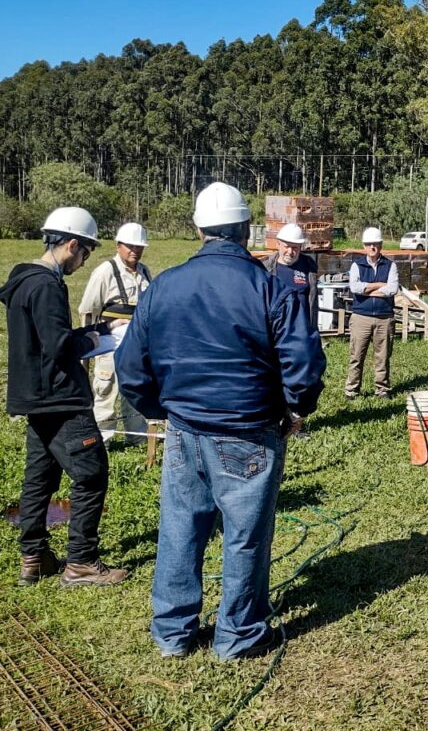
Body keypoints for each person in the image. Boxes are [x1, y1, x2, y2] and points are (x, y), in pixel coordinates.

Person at [116, 182, 326, 660]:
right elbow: (303, 363)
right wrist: (296, 409)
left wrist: (161, 410)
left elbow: (130, 367)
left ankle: (173, 632)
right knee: (246, 536)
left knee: (180, 529)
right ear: (246, 229)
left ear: (199, 230)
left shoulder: (163, 286)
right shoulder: (269, 287)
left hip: (185, 430)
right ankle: (238, 635)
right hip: (249, 431)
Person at [0, 207, 128, 588]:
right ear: (72, 245)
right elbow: (58, 346)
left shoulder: (24, 280)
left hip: (35, 398)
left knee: (39, 478)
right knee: (92, 474)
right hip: (61, 399)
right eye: (85, 252)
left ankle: (34, 557)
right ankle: (82, 562)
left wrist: (99, 328)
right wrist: (95, 342)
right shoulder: (48, 286)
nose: (84, 260)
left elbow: (46, 337)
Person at [78, 222, 153, 444]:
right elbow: (88, 310)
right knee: (106, 387)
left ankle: (137, 437)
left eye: (139, 246)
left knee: (135, 386)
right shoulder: (105, 271)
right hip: (109, 342)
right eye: (130, 246)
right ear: (118, 245)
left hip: (136, 343)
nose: (135, 251)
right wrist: (86, 350)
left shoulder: (145, 272)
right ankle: (103, 438)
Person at [345, 227, 399, 399]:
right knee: (356, 355)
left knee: (383, 356)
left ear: (381, 245)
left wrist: (367, 289)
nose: (372, 247)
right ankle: (352, 390)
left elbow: (392, 289)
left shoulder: (390, 265)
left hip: (384, 317)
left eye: (375, 243)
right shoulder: (357, 265)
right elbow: (355, 288)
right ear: (364, 246)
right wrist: (379, 285)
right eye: (369, 244)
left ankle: (382, 389)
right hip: (361, 317)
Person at [262, 223, 320, 330]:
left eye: (294, 248)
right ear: (278, 244)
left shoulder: (309, 267)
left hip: (304, 331)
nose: (290, 252)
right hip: (277, 332)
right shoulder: (265, 269)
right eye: (286, 247)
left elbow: (312, 302)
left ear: (300, 247)